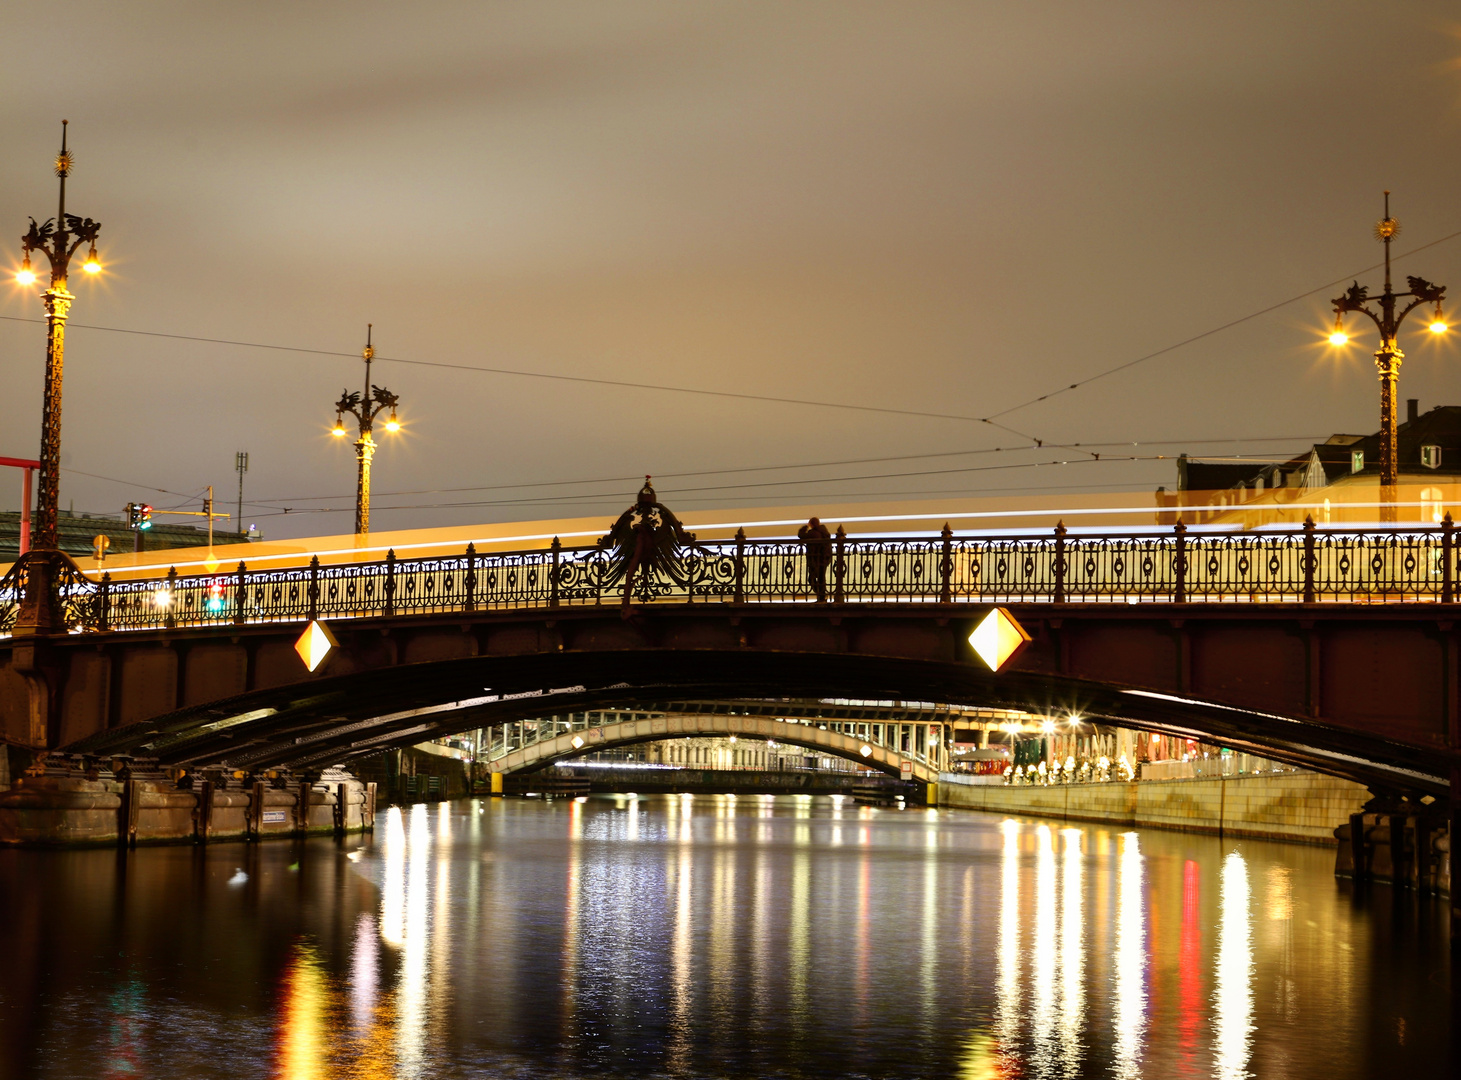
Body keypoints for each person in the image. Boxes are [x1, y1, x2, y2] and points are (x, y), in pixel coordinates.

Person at [797, 516, 833, 602]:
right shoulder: (824, 532)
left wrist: (805, 526)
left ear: (811, 524)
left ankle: (821, 595)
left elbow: (801, 535)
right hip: (824, 559)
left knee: (812, 579)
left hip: (815, 559)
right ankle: (822, 596)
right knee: (821, 578)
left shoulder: (813, 533)